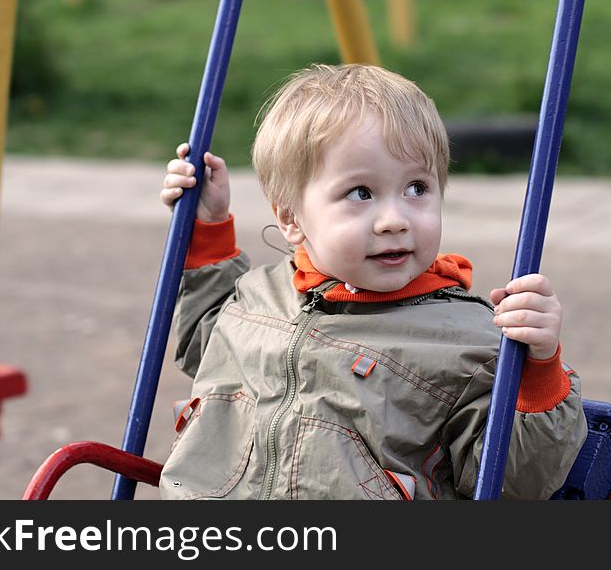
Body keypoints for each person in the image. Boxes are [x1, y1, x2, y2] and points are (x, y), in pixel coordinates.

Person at [158, 64, 586, 500]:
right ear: (289, 217)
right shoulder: (260, 296)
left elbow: (513, 483)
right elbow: (206, 351)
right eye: (361, 193)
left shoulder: (470, 342)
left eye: (417, 188)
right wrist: (207, 228)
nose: (394, 221)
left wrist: (538, 368)